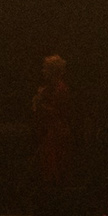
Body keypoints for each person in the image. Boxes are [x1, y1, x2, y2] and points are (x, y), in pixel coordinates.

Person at [31, 53, 76, 193]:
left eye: (46, 68)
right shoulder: (49, 89)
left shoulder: (60, 89)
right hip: (49, 130)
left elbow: (60, 111)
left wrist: (40, 104)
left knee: (55, 163)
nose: (43, 71)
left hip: (56, 131)